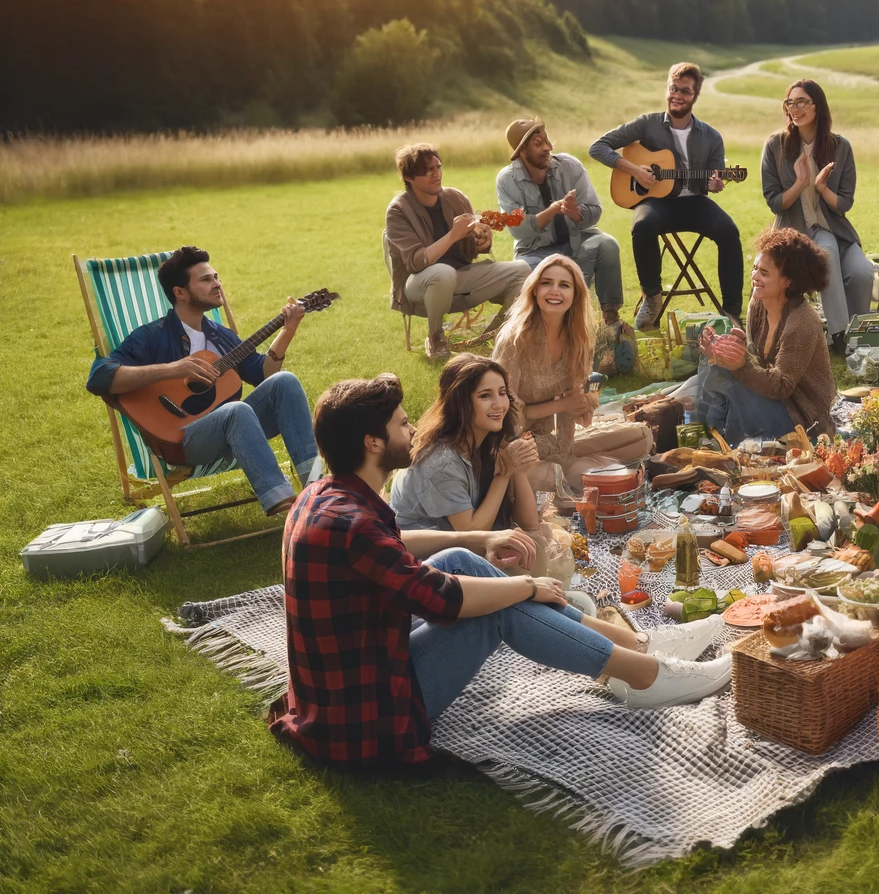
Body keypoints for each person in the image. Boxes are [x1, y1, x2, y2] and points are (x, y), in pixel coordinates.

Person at [269, 375, 734, 770]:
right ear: (372, 443)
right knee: (501, 607)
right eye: (401, 423)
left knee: (461, 562)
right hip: (367, 717)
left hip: (348, 681)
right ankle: (644, 676)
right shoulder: (353, 523)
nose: (411, 429)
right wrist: (526, 586)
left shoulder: (324, 497)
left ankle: (634, 644)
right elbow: (442, 600)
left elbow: (396, 548)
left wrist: (476, 539)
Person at [85, 245, 316, 516]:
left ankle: (318, 488)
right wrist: (172, 369)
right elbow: (99, 377)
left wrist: (287, 332)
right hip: (181, 440)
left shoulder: (220, 336)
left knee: (285, 382)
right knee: (236, 410)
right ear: (180, 293)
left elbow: (263, 375)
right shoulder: (151, 336)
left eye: (216, 276)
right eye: (206, 279)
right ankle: (287, 509)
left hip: (234, 431)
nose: (217, 283)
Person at [590, 63, 742, 327]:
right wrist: (635, 171)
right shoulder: (647, 124)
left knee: (729, 232)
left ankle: (731, 312)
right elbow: (598, 147)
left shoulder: (711, 137)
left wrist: (715, 183)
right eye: (673, 88)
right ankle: (652, 297)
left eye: (685, 91)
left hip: (694, 202)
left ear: (695, 95)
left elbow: (712, 177)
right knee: (643, 224)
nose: (677, 95)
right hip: (655, 202)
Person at [386, 143, 531, 360]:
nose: (437, 175)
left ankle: (499, 332)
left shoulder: (456, 198)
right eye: (428, 171)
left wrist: (482, 241)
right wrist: (453, 235)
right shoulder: (398, 211)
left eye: (438, 167)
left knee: (522, 269)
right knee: (443, 272)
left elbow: (469, 251)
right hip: (417, 286)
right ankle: (435, 336)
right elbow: (417, 262)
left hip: (460, 277)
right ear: (409, 177)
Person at [695, 229, 838, 444]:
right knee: (712, 364)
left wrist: (741, 362)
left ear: (788, 280)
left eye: (764, 272)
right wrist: (727, 351)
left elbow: (781, 386)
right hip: (772, 398)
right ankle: (714, 436)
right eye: (755, 269)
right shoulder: (759, 304)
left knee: (734, 387)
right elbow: (758, 362)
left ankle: (725, 443)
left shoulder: (802, 323)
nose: (754, 277)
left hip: (802, 419)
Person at [760, 79, 870, 351]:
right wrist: (799, 183)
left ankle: (860, 334)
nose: (794, 108)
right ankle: (840, 337)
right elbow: (775, 202)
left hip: (835, 229)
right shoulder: (775, 145)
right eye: (790, 102)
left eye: (802, 102)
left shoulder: (839, 146)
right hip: (793, 231)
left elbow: (844, 203)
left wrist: (821, 187)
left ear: (817, 106)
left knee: (862, 272)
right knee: (828, 254)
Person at [389, 355, 542, 535]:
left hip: (459, 548)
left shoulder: (488, 443)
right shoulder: (441, 461)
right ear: (460, 403)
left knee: (540, 538)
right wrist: (505, 473)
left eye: (502, 393)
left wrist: (517, 468)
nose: (499, 404)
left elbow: (530, 526)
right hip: (420, 556)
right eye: (485, 396)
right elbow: (470, 532)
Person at [495, 118, 626, 326]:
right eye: (538, 145)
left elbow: (595, 211)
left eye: (546, 141)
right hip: (533, 251)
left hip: (576, 241)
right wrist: (552, 210)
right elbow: (519, 231)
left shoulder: (570, 166)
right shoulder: (507, 180)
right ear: (522, 152)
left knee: (607, 244)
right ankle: (532, 324)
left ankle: (610, 319)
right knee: (527, 273)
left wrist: (576, 213)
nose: (547, 148)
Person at [491, 254, 596, 483]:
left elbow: (577, 410)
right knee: (555, 475)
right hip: (510, 443)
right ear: (534, 290)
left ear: (575, 295)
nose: (554, 291)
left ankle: (566, 471)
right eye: (546, 283)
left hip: (550, 440)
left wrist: (584, 406)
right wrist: (562, 405)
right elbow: (500, 410)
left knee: (641, 437)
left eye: (564, 285)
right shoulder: (514, 339)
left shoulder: (579, 339)